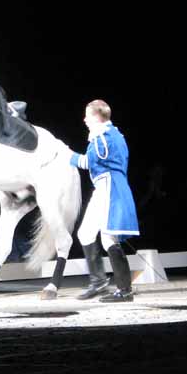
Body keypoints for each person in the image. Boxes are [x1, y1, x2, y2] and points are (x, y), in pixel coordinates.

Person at [69, 99, 139, 302]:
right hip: (105, 186)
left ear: (97, 116)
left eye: (87, 115)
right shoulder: (111, 134)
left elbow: (88, 162)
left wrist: (64, 154)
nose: (84, 119)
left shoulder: (103, 136)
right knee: (86, 233)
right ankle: (99, 283)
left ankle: (125, 291)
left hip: (109, 187)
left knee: (108, 238)